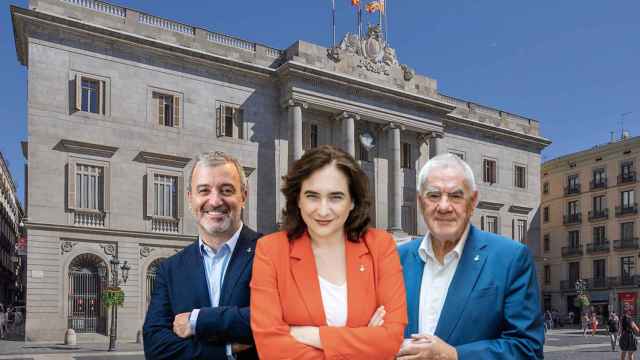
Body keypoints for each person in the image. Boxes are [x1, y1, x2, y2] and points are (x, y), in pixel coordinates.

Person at [250, 145, 407, 359]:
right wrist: (365, 343)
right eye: (312, 196)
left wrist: (312, 335)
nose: (323, 210)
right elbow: (271, 347)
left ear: (352, 201)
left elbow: (390, 341)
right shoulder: (270, 250)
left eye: (336, 197)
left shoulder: (380, 246)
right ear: (298, 199)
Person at [397, 153, 544, 359]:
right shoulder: (395, 259)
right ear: (421, 202)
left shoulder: (510, 258)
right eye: (434, 196)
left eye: (456, 196)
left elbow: (527, 348)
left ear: (472, 201)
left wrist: (454, 355)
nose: (444, 206)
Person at [143, 152, 261, 359]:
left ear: (243, 195)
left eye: (226, 190)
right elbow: (156, 347)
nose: (215, 201)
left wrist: (197, 319)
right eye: (204, 190)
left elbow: (280, 320)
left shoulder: (271, 252)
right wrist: (225, 350)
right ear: (190, 198)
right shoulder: (170, 269)